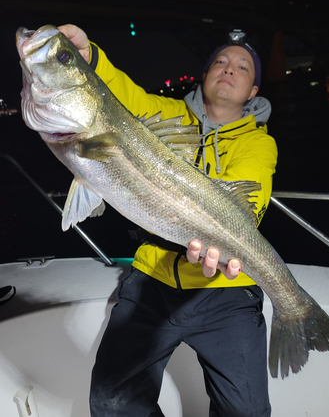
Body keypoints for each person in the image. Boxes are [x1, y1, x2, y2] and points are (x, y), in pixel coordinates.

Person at [59, 24, 277, 417]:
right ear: (205, 74)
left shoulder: (257, 142)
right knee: (112, 401)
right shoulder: (169, 114)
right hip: (153, 278)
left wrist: (217, 238)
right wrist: (88, 57)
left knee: (246, 413)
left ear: (252, 93)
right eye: (220, 62)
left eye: (242, 67)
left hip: (225, 289)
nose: (229, 69)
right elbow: (122, 99)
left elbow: (251, 198)